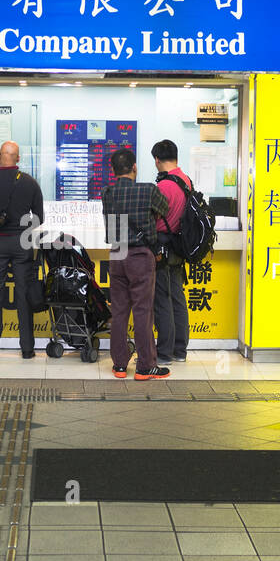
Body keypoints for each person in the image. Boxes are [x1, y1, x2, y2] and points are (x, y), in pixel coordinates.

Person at [102, 147, 171, 381]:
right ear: (134, 167)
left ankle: (119, 365)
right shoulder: (148, 190)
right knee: (142, 311)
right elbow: (165, 210)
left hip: (117, 253)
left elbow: (111, 225)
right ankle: (145, 366)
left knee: (119, 311)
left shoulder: (107, 193)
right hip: (141, 255)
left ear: (113, 170)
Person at [0, 141, 44, 360]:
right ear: (18, 159)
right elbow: (40, 217)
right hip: (22, 243)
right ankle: (28, 348)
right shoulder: (30, 183)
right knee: (23, 294)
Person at [151, 139, 191, 365]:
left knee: (162, 300)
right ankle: (180, 350)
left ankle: (164, 353)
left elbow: (154, 218)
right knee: (177, 297)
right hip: (178, 246)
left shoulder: (163, 186)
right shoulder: (186, 180)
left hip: (162, 248)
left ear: (157, 160)